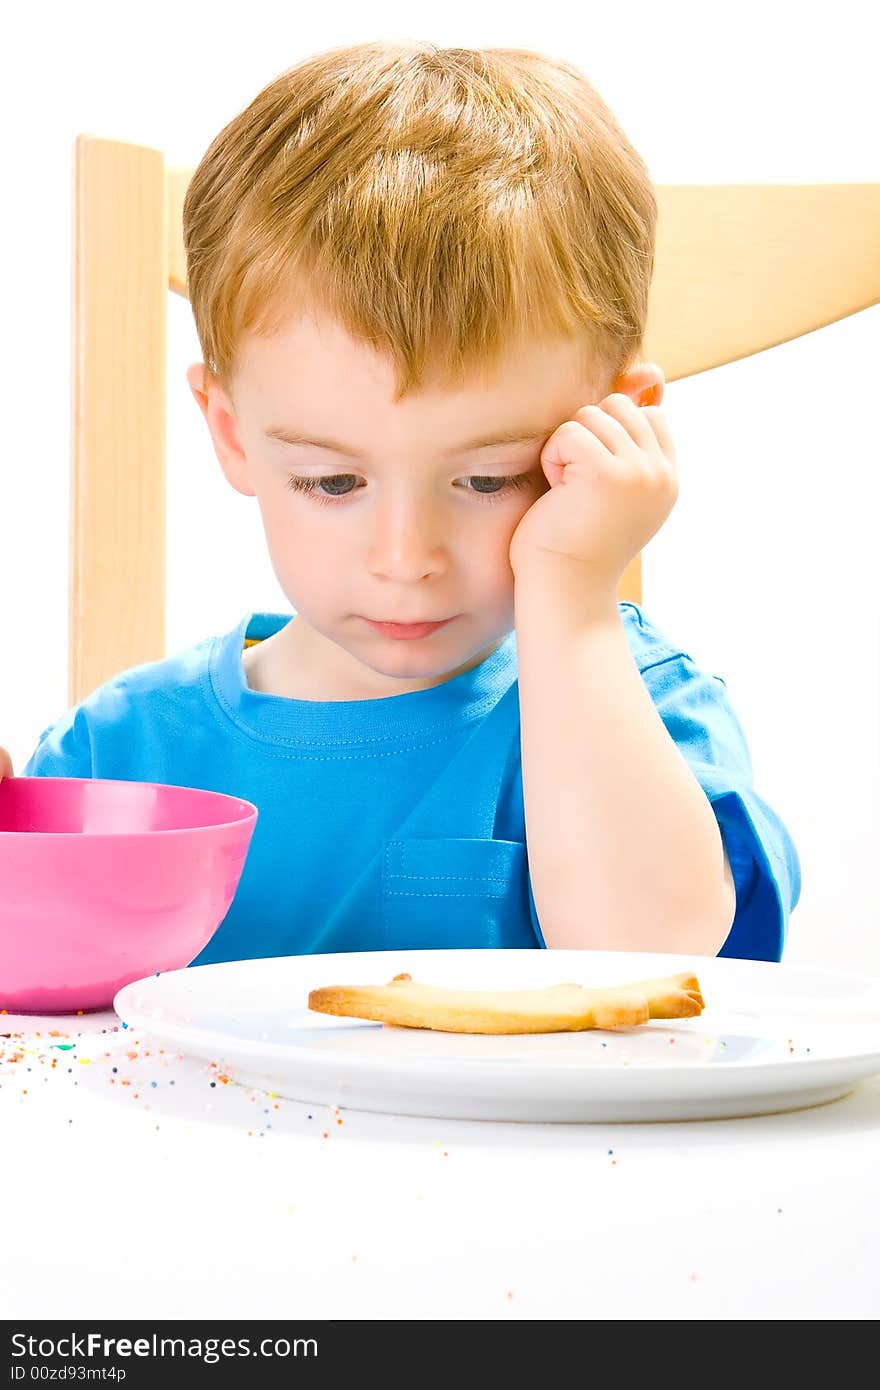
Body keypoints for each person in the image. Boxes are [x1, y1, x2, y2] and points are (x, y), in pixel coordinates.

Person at [0, 40, 800, 965]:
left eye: (489, 479)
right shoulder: (124, 753)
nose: (405, 555)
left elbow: (655, 963)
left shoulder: (642, 713)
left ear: (613, 434)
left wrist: (576, 593)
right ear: (230, 433)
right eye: (333, 483)